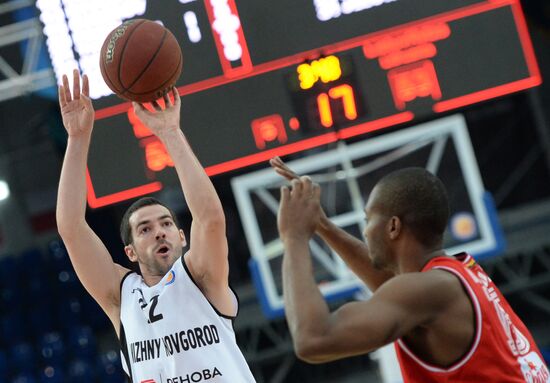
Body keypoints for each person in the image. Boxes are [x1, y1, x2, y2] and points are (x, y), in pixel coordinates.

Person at [270, 156, 549, 382]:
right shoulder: (461, 271)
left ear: (393, 226)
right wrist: (322, 225)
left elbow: (313, 340)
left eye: (368, 220)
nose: (365, 232)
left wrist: (294, 237)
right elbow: (389, 284)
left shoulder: (430, 290)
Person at [56, 70, 256, 382]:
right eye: (145, 229)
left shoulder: (202, 277)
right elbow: (70, 227)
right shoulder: (121, 296)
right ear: (130, 252)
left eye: (165, 223)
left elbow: (211, 219)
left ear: (181, 236)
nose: (159, 231)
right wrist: (77, 138)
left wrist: (170, 132)